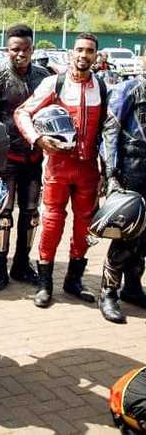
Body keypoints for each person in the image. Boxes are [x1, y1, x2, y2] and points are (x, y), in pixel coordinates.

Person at [16, 32, 107, 308]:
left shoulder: (101, 87)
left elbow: (108, 129)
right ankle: (45, 284)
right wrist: (38, 139)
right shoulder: (54, 83)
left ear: (96, 56)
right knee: (51, 224)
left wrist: (106, 168)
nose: (83, 55)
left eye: (89, 51)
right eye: (79, 49)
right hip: (57, 167)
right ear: (71, 53)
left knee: (84, 227)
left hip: (89, 169)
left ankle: (74, 280)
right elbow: (22, 112)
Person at [0, 24, 50, 290]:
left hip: (34, 157)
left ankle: (21, 264)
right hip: (4, 160)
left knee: (31, 214)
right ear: (7, 50)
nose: (21, 54)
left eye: (26, 49)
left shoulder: (44, 78)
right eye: (15, 49)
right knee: (3, 214)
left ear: (33, 49)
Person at [99, 75, 146, 323]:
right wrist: (111, 175)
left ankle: (133, 287)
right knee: (125, 235)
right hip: (130, 170)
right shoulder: (128, 89)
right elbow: (110, 131)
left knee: (144, 239)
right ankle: (108, 293)